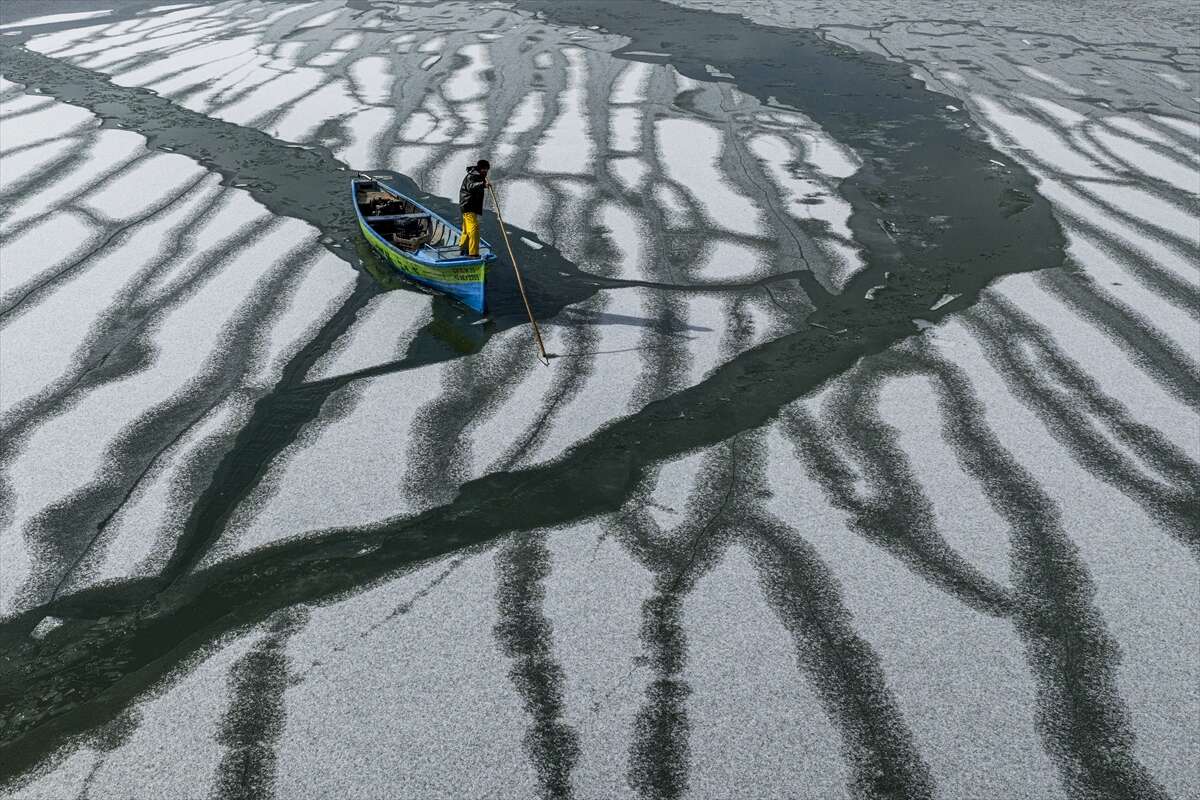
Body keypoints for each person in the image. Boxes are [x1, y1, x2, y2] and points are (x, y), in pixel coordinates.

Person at [458, 159, 490, 257]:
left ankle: (463, 248)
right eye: (485, 170)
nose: (486, 172)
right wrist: (483, 184)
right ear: (481, 169)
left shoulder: (477, 175)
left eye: (487, 171)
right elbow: (471, 186)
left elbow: (476, 185)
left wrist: (483, 183)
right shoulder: (472, 176)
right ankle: (473, 253)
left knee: (467, 229)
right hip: (468, 206)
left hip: (467, 206)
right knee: (474, 229)